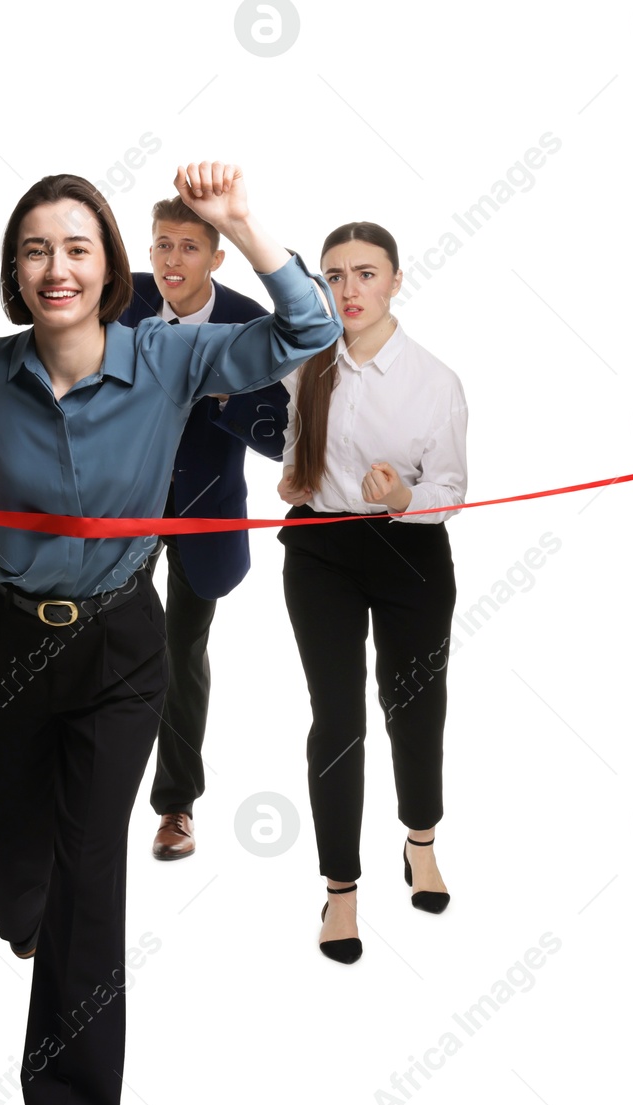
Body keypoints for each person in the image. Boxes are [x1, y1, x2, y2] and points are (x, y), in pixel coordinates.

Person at [0, 163, 337, 1105]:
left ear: (107, 266)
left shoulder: (169, 356)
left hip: (119, 643)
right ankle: (27, 912)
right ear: (14, 268)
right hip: (5, 635)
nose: (57, 267)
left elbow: (306, 335)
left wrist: (242, 228)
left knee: (92, 869)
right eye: (36, 248)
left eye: (77, 247)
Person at [276, 221, 469, 964]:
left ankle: (420, 841)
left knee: (415, 706)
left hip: (410, 550)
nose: (348, 290)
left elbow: (452, 486)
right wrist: (295, 478)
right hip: (320, 550)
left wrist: (404, 494)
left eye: (364, 274)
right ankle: (341, 889)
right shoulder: (308, 365)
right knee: (337, 719)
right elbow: (298, 455)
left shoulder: (435, 381)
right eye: (334, 276)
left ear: (394, 280)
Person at [117, 196, 290, 860]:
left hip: (205, 511)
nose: (171, 260)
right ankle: (91, 792)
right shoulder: (119, 299)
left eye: (189, 247)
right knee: (112, 645)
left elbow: (281, 439)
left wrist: (223, 393)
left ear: (217, 257)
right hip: (122, 507)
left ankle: (176, 805)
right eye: (162, 244)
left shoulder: (251, 324)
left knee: (180, 650)